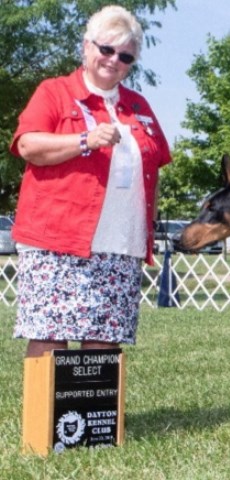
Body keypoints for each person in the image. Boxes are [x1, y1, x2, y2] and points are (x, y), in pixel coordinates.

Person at [10, 5, 171, 358]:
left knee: (104, 339)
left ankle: (96, 414)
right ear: (86, 47)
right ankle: (44, 416)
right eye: (106, 49)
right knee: (50, 336)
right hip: (57, 241)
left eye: (126, 56)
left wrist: (152, 225)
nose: (114, 60)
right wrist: (84, 140)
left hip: (121, 244)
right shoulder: (54, 92)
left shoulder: (139, 106)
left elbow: (155, 167)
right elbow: (28, 145)